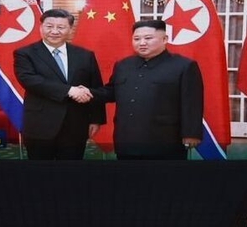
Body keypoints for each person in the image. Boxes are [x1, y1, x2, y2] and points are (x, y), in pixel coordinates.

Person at [85, 19, 203, 160]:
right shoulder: (123, 65)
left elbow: (192, 103)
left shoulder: (184, 66)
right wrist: (85, 92)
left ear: (165, 39)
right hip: (126, 141)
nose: (142, 43)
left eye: (148, 38)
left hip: (165, 141)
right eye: (136, 39)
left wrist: (191, 133)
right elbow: (110, 92)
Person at [14, 9, 105, 160]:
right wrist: (69, 90)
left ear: (70, 29)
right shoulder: (25, 53)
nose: (54, 31)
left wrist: (96, 119)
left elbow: (95, 86)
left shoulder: (85, 55)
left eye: (61, 27)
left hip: (76, 124)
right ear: (41, 27)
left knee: (71, 173)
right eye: (49, 26)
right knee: (40, 174)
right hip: (40, 125)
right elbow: (30, 80)